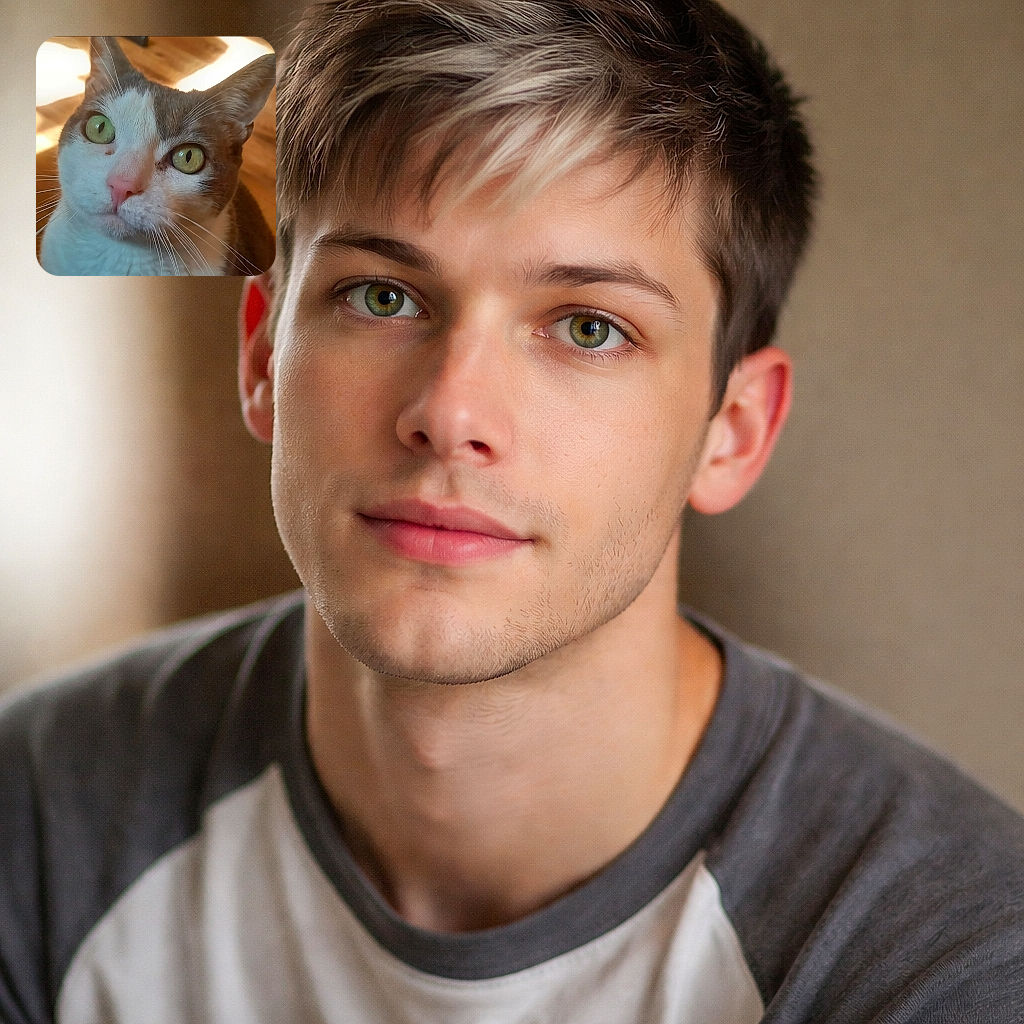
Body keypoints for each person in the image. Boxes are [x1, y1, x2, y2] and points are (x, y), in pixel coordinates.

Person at [2, 1, 1022, 1021]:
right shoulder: (36, 824)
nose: (449, 415)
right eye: (383, 297)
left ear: (734, 431)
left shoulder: (947, 954)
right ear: (264, 357)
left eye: (588, 326)